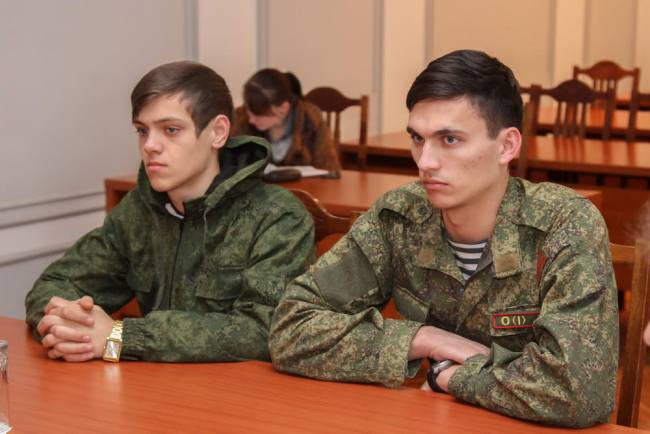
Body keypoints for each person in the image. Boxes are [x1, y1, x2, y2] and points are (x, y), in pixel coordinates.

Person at [269, 50, 618, 428]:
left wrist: (449, 377)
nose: (425, 162)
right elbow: (291, 330)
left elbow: (579, 393)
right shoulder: (399, 216)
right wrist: (424, 339)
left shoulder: (563, 224)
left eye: (450, 139)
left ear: (507, 146)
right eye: (417, 138)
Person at [25, 61, 315, 363]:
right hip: (149, 385)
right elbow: (52, 286)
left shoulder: (278, 216)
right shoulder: (139, 210)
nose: (150, 145)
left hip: (236, 391)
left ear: (217, 132)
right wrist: (73, 328)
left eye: (171, 129)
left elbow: (266, 330)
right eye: (142, 130)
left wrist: (120, 337)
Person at [232, 68, 341, 172]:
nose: (251, 120)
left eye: (258, 114)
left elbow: (329, 168)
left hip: (306, 185)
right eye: (248, 110)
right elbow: (230, 164)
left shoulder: (310, 117)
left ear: (283, 108)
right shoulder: (242, 118)